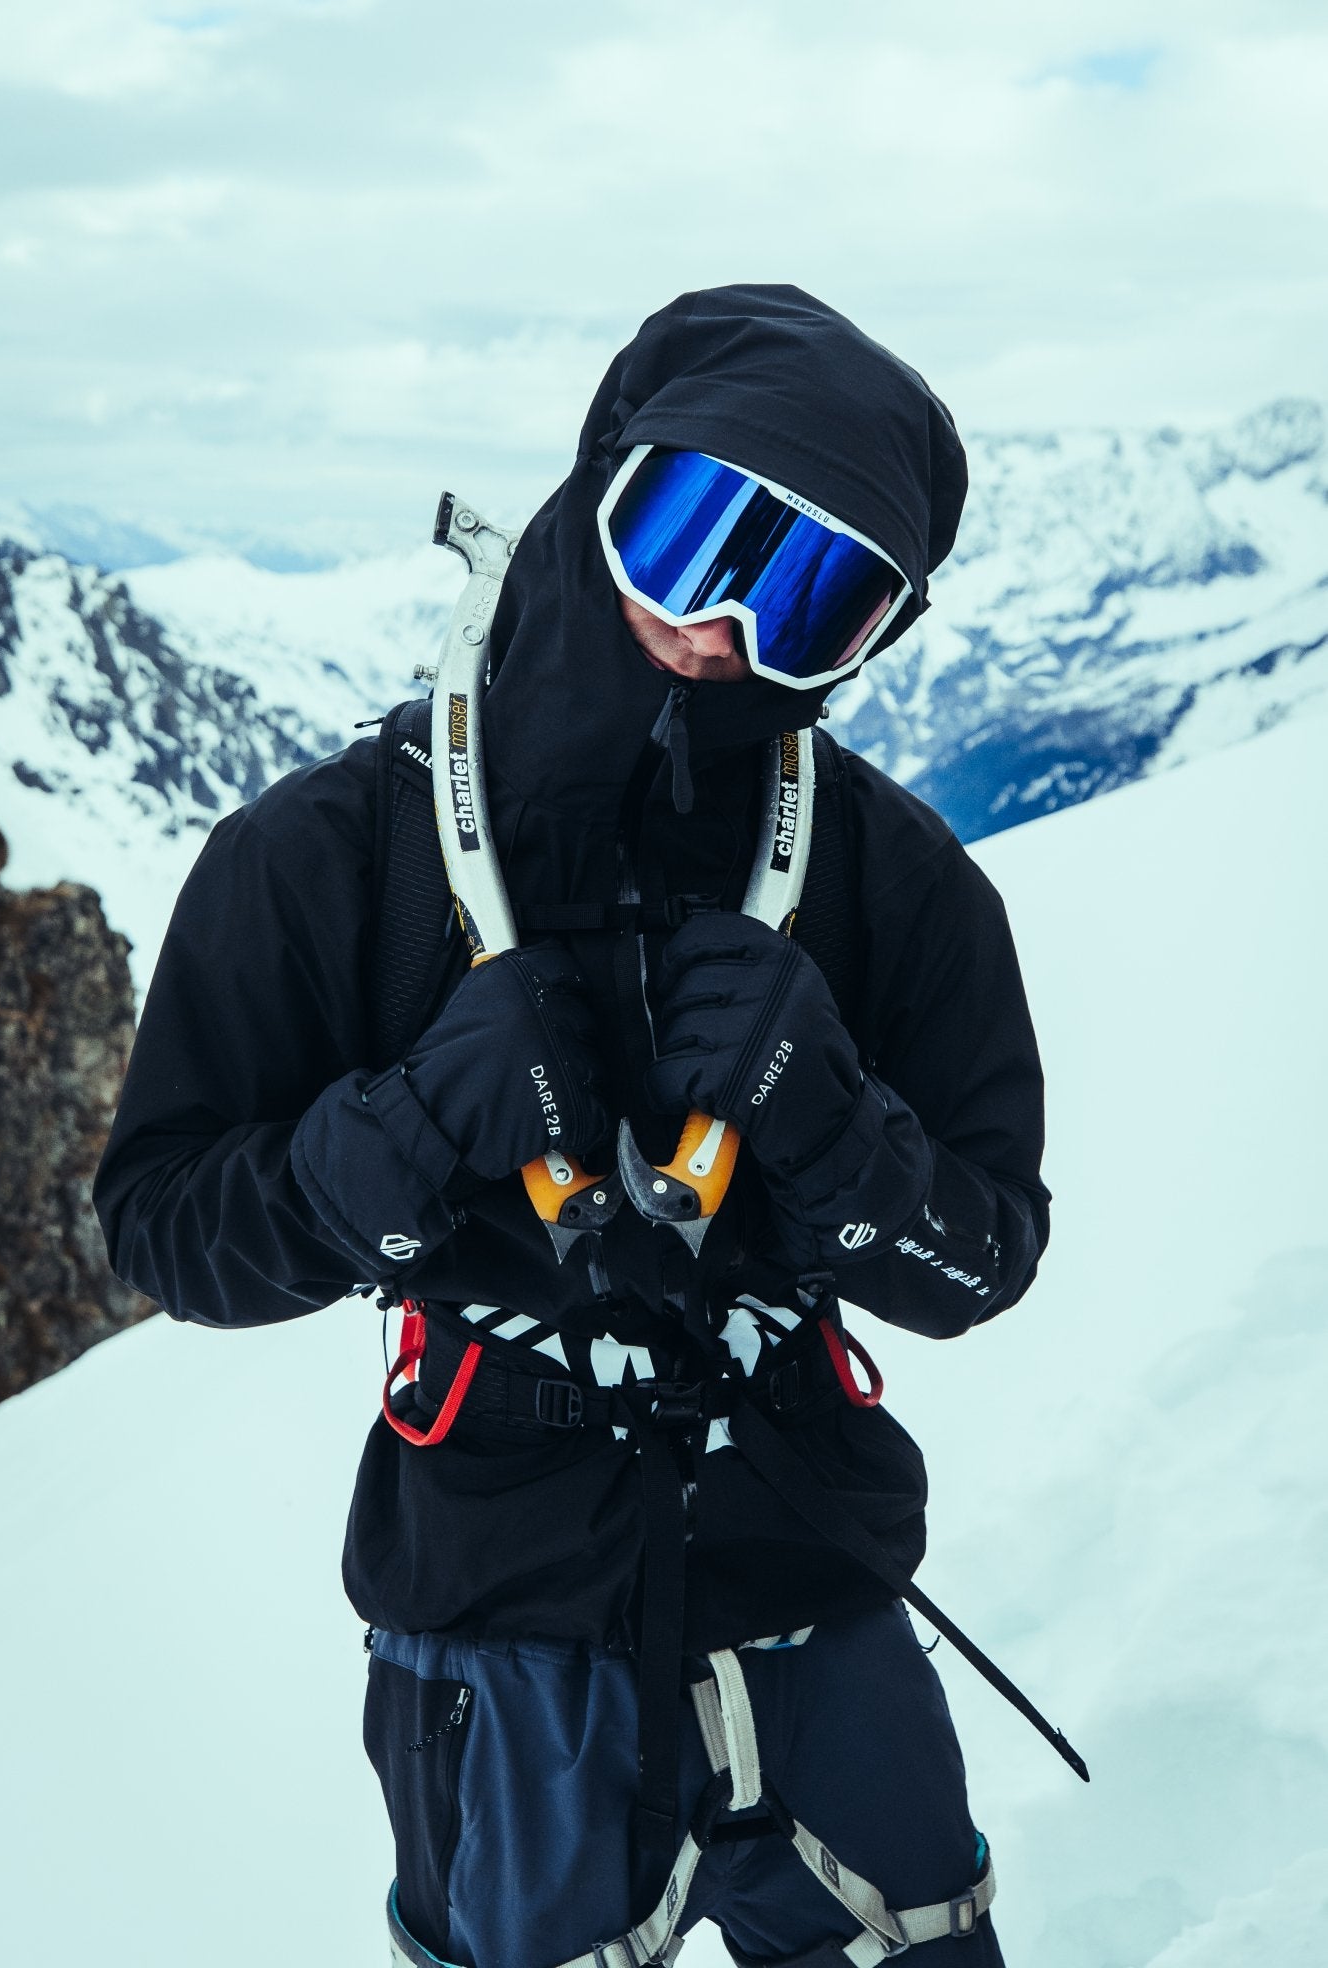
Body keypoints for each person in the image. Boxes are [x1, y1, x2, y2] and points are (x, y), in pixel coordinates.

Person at [95, 284, 1051, 1968]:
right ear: (599, 474)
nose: (719, 631)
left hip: (816, 1586)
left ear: (873, 639)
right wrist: (405, 1130)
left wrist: (827, 1122)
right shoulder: (333, 864)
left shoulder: (894, 887)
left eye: (811, 596)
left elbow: (976, 1261)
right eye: (689, 535)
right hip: (500, 1623)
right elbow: (169, 1232)